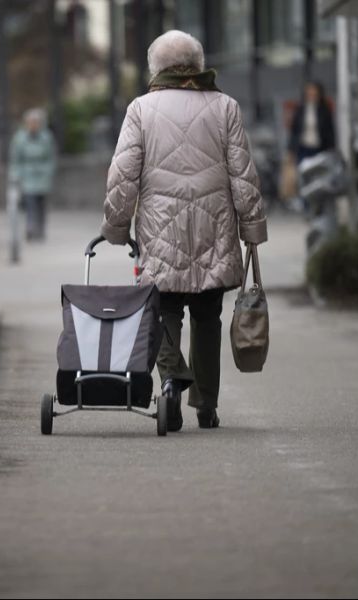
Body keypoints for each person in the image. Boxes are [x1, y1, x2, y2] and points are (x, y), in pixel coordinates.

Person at [100, 30, 267, 431]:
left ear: (156, 68)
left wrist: (117, 227)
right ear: (198, 64)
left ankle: (173, 381)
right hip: (215, 227)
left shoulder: (141, 109)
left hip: (161, 231)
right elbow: (244, 175)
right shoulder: (225, 106)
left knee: (161, 310)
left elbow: (123, 176)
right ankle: (206, 404)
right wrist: (253, 228)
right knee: (208, 316)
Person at [9, 108, 57, 241]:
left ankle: (40, 230)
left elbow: (51, 157)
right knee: (30, 203)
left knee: (41, 204)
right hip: (27, 176)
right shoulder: (19, 138)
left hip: (42, 176)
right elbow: (15, 160)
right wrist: (16, 175)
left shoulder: (47, 137)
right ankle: (31, 228)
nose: (33, 125)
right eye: (31, 122)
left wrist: (48, 171)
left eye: (36, 122)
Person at [288, 80, 335, 164]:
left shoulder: (324, 111)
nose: (312, 97)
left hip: (320, 148)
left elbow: (329, 131)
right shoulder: (300, 110)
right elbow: (294, 130)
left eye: (314, 94)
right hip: (303, 148)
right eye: (309, 94)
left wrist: (331, 148)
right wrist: (291, 150)